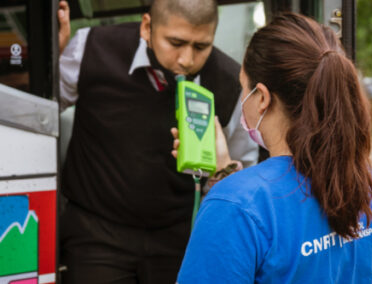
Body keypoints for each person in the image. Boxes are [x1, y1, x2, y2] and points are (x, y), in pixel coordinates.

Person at [177, 13, 372, 284]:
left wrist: (226, 189)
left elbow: (253, 211)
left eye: (243, 87)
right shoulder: (368, 187)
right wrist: (224, 169)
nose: (243, 98)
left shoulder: (233, 204)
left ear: (261, 97)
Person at [57, 0, 258, 283]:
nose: (187, 59)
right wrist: (49, 56)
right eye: (176, 42)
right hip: (96, 231)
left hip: (179, 235)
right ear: (147, 26)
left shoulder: (229, 81)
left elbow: (243, 176)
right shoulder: (91, 46)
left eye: (201, 46)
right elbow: (42, 111)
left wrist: (218, 170)